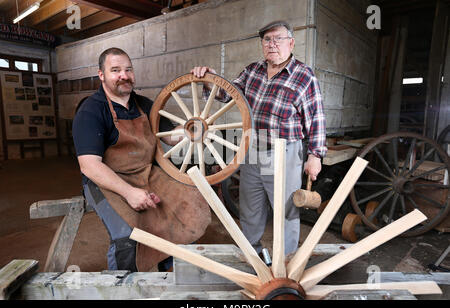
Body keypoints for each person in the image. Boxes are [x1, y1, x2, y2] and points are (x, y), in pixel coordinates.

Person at [191, 20, 327, 256]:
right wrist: (211, 79)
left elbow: (316, 118)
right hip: (251, 149)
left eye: (278, 39)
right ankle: (252, 256)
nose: (272, 44)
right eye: (267, 39)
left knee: (286, 211)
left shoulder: (304, 76)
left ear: (291, 43)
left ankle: (286, 262)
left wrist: (315, 155)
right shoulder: (252, 70)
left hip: (284, 152)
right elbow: (227, 94)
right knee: (250, 208)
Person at [72, 47, 210, 272]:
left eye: (128, 69)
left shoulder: (144, 105)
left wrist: (192, 129)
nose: (124, 76)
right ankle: (124, 290)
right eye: (115, 70)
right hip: (105, 180)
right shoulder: (91, 111)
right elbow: (89, 165)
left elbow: (171, 137)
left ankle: (170, 271)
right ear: (101, 75)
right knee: (128, 237)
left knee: (184, 215)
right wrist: (129, 193)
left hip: (146, 173)